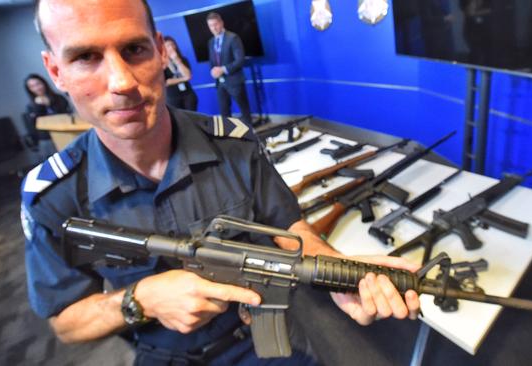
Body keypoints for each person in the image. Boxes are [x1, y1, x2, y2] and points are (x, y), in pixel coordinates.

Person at [22, 1, 420, 364]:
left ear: (161, 50)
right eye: (86, 57)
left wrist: (336, 272)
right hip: (164, 356)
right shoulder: (53, 194)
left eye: (135, 49)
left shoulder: (235, 142)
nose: (122, 81)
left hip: (261, 336)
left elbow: (289, 225)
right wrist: (140, 299)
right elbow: (65, 321)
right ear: (55, 71)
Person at [207, 12, 252, 125]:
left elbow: (240, 60)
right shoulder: (211, 42)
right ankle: (230, 138)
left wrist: (223, 69)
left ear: (221, 23)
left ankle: (251, 136)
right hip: (220, 83)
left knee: (244, 110)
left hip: (235, 81)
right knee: (224, 112)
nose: (214, 28)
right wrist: (213, 71)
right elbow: (212, 62)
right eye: (211, 25)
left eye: (216, 24)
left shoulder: (233, 38)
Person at [23, 73, 71, 148]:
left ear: (44, 83)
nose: (37, 88)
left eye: (38, 84)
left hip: (65, 133)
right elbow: (34, 125)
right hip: (46, 139)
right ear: (29, 89)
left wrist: (50, 103)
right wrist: (38, 106)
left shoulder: (59, 98)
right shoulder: (31, 106)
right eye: (32, 86)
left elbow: (66, 115)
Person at [163, 36, 198, 111]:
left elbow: (188, 75)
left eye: (172, 44)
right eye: (168, 46)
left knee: (192, 117)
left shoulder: (183, 59)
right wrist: (183, 79)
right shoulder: (162, 64)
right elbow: (166, 82)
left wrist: (176, 60)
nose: (171, 47)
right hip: (172, 97)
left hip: (188, 95)